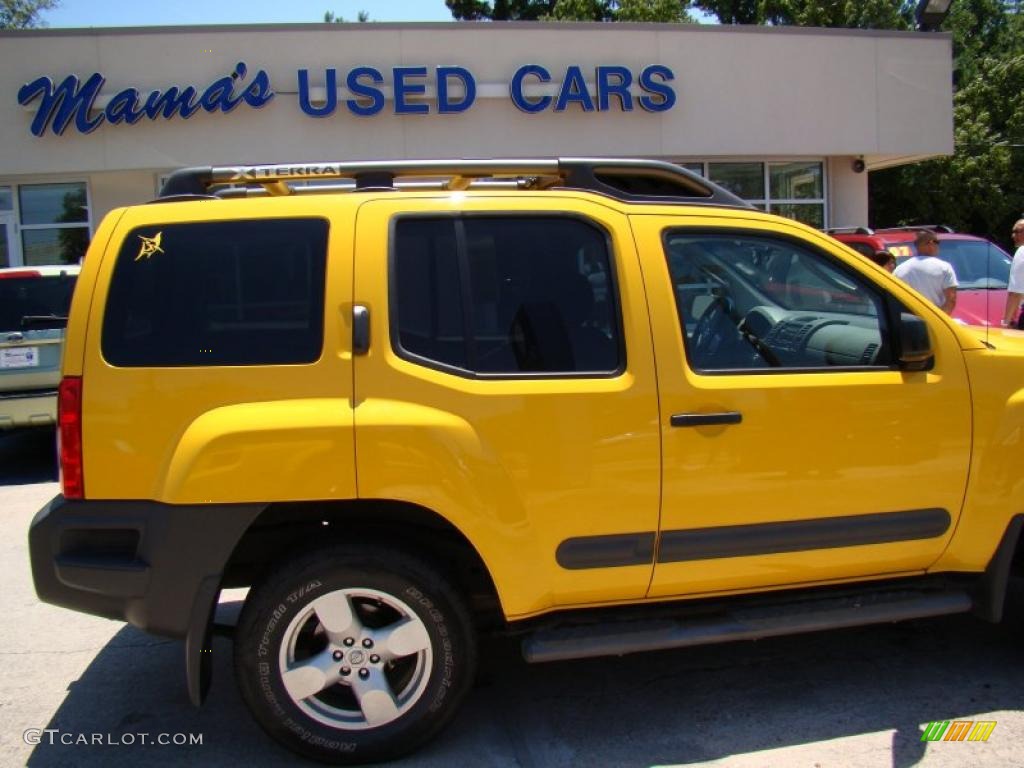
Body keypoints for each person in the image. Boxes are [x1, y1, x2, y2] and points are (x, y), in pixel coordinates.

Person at [892, 230, 957, 314]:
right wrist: (938, 321)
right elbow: (951, 300)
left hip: (908, 322)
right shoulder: (944, 267)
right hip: (936, 322)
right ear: (930, 243)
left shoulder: (899, 269)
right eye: (937, 242)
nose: (938, 245)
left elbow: (894, 300)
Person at [1002, 219, 1024, 328]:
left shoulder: (1022, 251)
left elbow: (1015, 292)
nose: (1013, 235)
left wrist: (1006, 323)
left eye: (1017, 231)